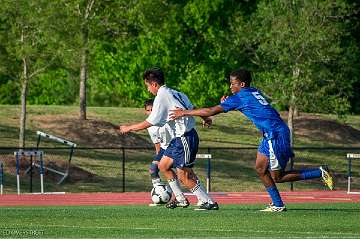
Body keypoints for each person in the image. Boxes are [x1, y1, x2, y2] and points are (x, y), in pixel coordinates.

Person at [170, 68, 334, 212]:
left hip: (275, 135)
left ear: (241, 85)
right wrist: (228, 104)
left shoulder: (240, 96)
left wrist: (183, 113)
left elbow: (211, 111)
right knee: (260, 168)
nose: (230, 86)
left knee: (277, 177)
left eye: (233, 83)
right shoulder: (252, 91)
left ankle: (319, 172)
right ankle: (277, 204)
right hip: (270, 134)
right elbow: (251, 108)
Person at [120, 67, 218, 210]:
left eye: (147, 86)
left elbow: (151, 121)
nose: (148, 90)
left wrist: (129, 128)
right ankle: (180, 199)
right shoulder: (175, 92)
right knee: (163, 166)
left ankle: (208, 201)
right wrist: (205, 117)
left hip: (185, 137)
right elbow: (191, 107)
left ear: (153, 84)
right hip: (177, 139)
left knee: (184, 175)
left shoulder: (161, 96)